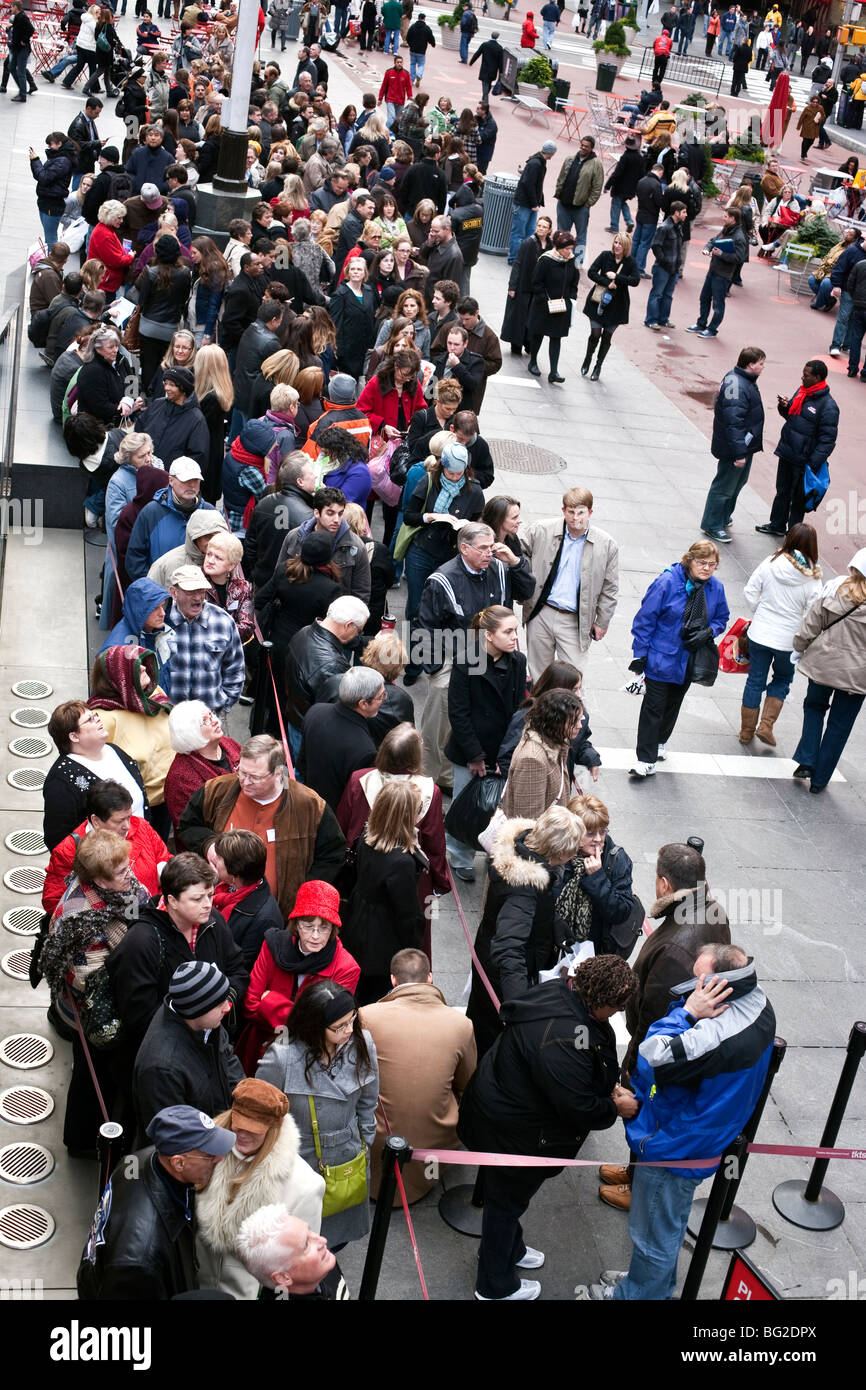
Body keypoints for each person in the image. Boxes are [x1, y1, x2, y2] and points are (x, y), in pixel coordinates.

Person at [578, 945, 775, 1300]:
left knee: (653, 1234)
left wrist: (687, 1012)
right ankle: (648, 1283)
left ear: (720, 983)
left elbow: (653, 1053)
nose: (693, 986)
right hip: (697, 1134)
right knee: (664, 1229)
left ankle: (635, 1294)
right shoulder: (757, 1000)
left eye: (700, 980)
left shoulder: (714, 1033)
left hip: (674, 1146)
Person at [461, 954, 639, 1299]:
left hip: (501, 1114)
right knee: (505, 1203)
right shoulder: (562, 1039)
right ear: (602, 1002)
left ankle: (508, 1250)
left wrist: (604, 1084)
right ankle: (494, 1285)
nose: (617, 1015)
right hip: (514, 1133)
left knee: (507, 1199)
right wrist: (614, 1106)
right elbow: (576, 1105)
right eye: (617, 1008)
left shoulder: (562, 991)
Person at [39, 830, 148, 1154]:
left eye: (128, 866)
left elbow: (137, 912)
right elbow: (89, 978)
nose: (130, 874)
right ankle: (82, 1142)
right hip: (92, 1014)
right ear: (98, 878)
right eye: (121, 871)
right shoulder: (78, 916)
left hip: (110, 995)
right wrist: (134, 953)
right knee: (92, 1078)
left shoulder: (123, 889)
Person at [257, 980, 379, 1250]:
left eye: (352, 1020)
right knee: (299, 1241)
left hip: (348, 1156)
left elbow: (369, 1099)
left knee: (335, 1240)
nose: (349, 1030)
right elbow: (261, 1112)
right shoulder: (282, 1058)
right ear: (314, 1026)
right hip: (301, 1163)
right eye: (339, 1027)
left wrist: (364, 1140)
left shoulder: (362, 1042)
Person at [77, 1104, 236, 1300]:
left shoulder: (136, 1161)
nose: (219, 1158)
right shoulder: (140, 1260)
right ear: (178, 1163)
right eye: (209, 1155)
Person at [178, 734, 346, 916]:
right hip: (219, 910)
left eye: (255, 777)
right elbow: (188, 825)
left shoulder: (309, 805)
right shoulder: (216, 790)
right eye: (241, 772)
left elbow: (332, 854)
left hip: (279, 915)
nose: (245, 781)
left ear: (278, 773)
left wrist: (304, 896)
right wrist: (209, 844)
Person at [361, 948, 476, 1202]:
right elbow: (467, 1082)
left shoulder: (367, 1015)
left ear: (393, 980)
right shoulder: (461, 1025)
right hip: (434, 1141)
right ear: (430, 978)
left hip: (375, 1140)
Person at [195, 1077, 326, 1299]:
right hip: (196, 1287)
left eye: (253, 1130)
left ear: (273, 1129)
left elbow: (297, 1269)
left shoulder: (305, 1187)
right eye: (239, 1126)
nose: (242, 1135)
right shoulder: (203, 1152)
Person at [629, 540, 730, 778]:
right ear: (689, 560)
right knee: (653, 708)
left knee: (673, 703)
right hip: (660, 658)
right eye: (701, 562)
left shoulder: (715, 588)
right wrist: (640, 655)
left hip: (689, 660)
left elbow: (722, 618)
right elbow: (645, 620)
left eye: (712, 564)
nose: (706, 568)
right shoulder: (667, 583)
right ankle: (645, 758)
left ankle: (660, 741)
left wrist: (709, 632)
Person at [445, 607, 526, 883]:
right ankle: (459, 856)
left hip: (502, 748)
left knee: (497, 806)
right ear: (488, 635)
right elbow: (458, 713)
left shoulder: (518, 662)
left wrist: (508, 754)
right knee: (465, 803)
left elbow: (517, 711)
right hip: (471, 749)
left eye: (516, 630)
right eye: (508, 631)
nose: (515, 636)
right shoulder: (465, 662)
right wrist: (475, 755)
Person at [342, 780, 429, 1004]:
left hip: (357, 922)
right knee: (377, 996)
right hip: (383, 940)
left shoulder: (366, 838)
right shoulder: (401, 862)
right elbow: (407, 914)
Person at [737, 523, 824, 748]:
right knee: (783, 679)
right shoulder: (813, 576)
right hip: (788, 641)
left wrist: (760, 611)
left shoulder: (771, 562)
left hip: (760, 634)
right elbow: (811, 614)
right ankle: (766, 725)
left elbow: (750, 591)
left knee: (755, 680)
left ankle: (746, 731)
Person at [519, 487, 619, 681]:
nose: (575, 518)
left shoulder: (606, 545)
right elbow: (519, 551)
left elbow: (610, 587)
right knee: (539, 676)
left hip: (575, 620)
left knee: (573, 680)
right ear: (563, 511)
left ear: (590, 513)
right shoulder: (541, 529)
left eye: (580, 512)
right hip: (541, 612)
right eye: (570, 512)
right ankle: (540, 710)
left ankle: (574, 712)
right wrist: (529, 579)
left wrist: (602, 622)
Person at [133, 961, 245, 1133]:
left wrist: (244, 1097)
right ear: (196, 1011)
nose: (227, 1007)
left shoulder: (206, 1022)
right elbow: (173, 1135)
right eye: (219, 1004)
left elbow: (227, 1057)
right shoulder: (161, 1068)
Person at [789, 549, 866, 792]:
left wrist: (799, 647)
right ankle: (820, 779)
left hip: (823, 664)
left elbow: (812, 623)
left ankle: (807, 759)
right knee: (840, 726)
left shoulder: (836, 588)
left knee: (813, 708)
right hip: (857, 675)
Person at [43, 701, 147, 852]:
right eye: (89, 719)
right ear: (74, 736)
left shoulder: (114, 750)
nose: (98, 719)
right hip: (105, 866)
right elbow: (58, 839)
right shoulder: (61, 779)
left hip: (140, 849)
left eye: (95, 715)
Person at [755, 361, 839, 538]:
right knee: (782, 491)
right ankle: (777, 524)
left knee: (798, 500)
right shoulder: (802, 392)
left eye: (806, 375)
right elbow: (791, 417)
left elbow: (828, 441)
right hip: (787, 452)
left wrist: (812, 464)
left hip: (804, 461)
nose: (802, 377)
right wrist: (784, 407)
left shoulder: (829, 407)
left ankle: (793, 535)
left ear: (817, 378)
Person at [87, 645, 173, 812]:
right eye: (134, 665)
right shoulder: (103, 717)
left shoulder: (153, 694)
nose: (143, 667)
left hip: (168, 798)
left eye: (141, 662)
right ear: (118, 678)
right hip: (135, 809)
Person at [553, 793, 639, 959]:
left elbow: (621, 912)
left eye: (602, 832)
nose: (598, 839)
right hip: (556, 946)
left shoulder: (616, 859)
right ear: (573, 831)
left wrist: (597, 878)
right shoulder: (560, 855)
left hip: (595, 949)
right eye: (590, 833)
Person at [700, 346, 766, 543]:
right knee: (725, 486)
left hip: (742, 445)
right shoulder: (738, 385)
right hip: (735, 447)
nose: (763, 367)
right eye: (761, 364)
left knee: (737, 483)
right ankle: (712, 524)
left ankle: (722, 516)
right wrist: (739, 453)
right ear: (751, 364)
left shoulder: (741, 381)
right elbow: (733, 421)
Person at [164, 565, 246, 718]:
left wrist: (223, 705)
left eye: (201, 591)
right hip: (167, 717)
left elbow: (235, 669)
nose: (197, 598)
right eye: (190, 592)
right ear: (174, 593)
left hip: (209, 718)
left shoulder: (223, 621)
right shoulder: (161, 621)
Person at [299, 667, 385, 811]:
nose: (384, 699)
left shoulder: (316, 711)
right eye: (381, 696)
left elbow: (302, 762)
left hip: (308, 794)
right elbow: (356, 796)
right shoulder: (365, 750)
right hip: (333, 811)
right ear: (363, 704)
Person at [125, 457, 217, 580]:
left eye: (195, 480)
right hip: (161, 592)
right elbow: (135, 558)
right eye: (185, 480)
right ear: (171, 480)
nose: (191, 485)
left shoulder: (210, 512)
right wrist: (153, 590)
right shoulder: (151, 512)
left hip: (201, 592)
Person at [499, 688, 584, 821]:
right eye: (574, 722)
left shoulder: (557, 741)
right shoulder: (532, 759)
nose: (580, 726)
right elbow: (528, 822)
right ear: (556, 722)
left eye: (580, 719)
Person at [163, 702, 240, 841]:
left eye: (211, 715)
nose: (215, 721)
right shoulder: (180, 777)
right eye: (205, 721)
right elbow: (188, 828)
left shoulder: (229, 744)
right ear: (190, 732)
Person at [582, 231, 640, 379]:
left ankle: (598, 366)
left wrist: (617, 277)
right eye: (615, 242)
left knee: (607, 336)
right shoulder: (605, 255)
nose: (617, 246)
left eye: (620, 243)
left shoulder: (630, 262)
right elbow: (592, 272)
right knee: (595, 334)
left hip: (617, 304)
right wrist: (607, 282)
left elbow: (635, 281)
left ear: (626, 246)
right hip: (599, 300)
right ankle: (588, 358)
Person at [526, 230, 579, 383]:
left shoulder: (570, 261)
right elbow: (536, 282)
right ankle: (533, 361)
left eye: (571, 249)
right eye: (566, 249)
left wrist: (570, 299)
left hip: (561, 307)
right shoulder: (546, 260)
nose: (569, 252)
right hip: (543, 306)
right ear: (558, 247)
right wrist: (545, 300)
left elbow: (574, 283)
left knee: (556, 338)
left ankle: (553, 371)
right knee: (538, 334)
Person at [686, 209, 748, 339]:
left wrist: (721, 254)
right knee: (704, 298)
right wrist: (707, 248)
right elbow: (713, 240)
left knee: (718, 304)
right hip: (713, 270)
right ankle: (701, 324)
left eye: (725, 216)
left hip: (723, 275)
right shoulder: (726, 230)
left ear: (733, 219)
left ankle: (712, 329)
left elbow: (739, 258)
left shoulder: (739, 237)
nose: (723, 218)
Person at [502, 217, 552, 357]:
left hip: (538, 289)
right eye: (539, 225)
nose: (540, 228)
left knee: (533, 318)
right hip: (524, 286)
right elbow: (517, 264)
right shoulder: (528, 243)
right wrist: (512, 286)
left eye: (544, 226)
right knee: (519, 317)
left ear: (549, 230)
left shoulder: (550, 246)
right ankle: (516, 345)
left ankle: (529, 343)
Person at [554, 137, 605, 268]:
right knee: (562, 234)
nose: (582, 148)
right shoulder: (570, 159)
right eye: (582, 145)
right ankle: (560, 258)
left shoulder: (596, 164)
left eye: (586, 146)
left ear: (591, 148)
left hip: (581, 208)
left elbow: (597, 187)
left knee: (581, 236)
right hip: (564, 204)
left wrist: (588, 204)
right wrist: (559, 193)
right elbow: (561, 177)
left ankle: (577, 263)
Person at [644, 202, 687, 333]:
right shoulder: (665, 227)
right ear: (676, 212)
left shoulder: (678, 226)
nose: (686, 214)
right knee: (657, 294)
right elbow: (656, 245)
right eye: (684, 212)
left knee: (668, 295)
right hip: (663, 267)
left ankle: (663, 319)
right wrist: (663, 260)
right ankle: (651, 320)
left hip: (673, 268)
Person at [470, 30, 504, 102]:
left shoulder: (485, 45)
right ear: (497, 37)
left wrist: (471, 62)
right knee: (488, 83)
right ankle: (485, 98)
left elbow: (477, 54)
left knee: (485, 84)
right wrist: (501, 71)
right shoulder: (499, 48)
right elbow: (501, 61)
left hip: (485, 69)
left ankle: (485, 100)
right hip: (493, 70)